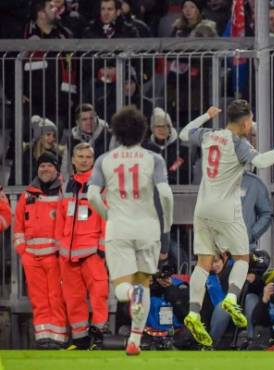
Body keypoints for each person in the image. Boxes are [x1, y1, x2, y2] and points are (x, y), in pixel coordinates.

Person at [178, 100, 274, 347]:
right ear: (244, 123)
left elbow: (183, 133)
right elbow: (262, 162)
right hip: (225, 209)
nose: (251, 126)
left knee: (203, 263)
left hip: (202, 208)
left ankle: (193, 312)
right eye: (250, 121)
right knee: (242, 257)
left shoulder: (210, 134)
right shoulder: (239, 143)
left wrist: (205, 115)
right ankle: (232, 298)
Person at [87, 105, 174, 355]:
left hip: (119, 227)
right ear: (142, 132)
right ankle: (135, 339)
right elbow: (166, 195)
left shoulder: (105, 159)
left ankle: (131, 297)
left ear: (115, 131)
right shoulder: (154, 158)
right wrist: (165, 224)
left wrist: (108, 216)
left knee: (123, 287)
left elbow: (92, 195)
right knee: (143, 283)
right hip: (148, 227)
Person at [55, 143, 109, 349]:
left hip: (92, 251)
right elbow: (60, 218)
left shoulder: (100, 185)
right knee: (72, 297)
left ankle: (99, 336)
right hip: (68, 253)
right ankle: (80, 339)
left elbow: (107, 215)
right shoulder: (66, 185)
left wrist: (102, 247)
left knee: (99, 294)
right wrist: (60, 245)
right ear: (73, 160)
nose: (85, 160)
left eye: (88, 156)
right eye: (81, 156)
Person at [13, 152, 68, 349]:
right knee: (38, 299)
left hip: (54, 256)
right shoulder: (27, 194)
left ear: (56, 169)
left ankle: (58, 337)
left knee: (56, 297)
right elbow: (18, 224)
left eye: (49, 166)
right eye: (42, 166)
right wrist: (22, 250)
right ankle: (43, 337)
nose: (45, 169)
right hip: (31, 256)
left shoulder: (63, 192)